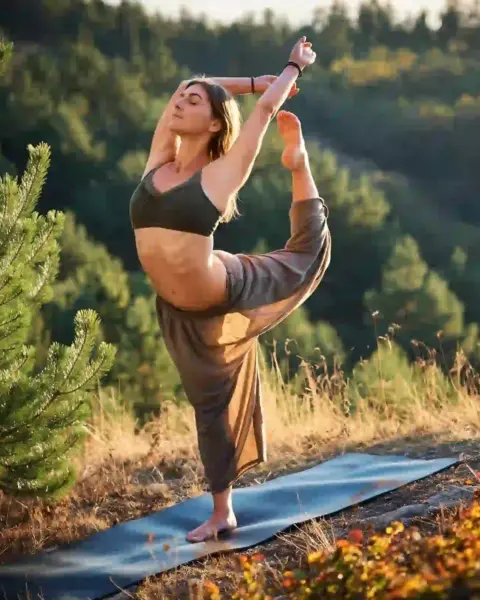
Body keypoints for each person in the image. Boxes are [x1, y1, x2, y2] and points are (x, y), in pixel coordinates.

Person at [129, 37, 331, 543]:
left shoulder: (221, 174)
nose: (180, 100)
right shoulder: (159, 159)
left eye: (195, 101)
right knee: (208, 407)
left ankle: (299, 166)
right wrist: (249, 81)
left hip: (226, 289)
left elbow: (263, 111)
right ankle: (223, 509)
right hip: (176, 310)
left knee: (305, 254)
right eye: (181, 97)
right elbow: (193, 84)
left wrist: (289, 69)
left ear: (216, 123)